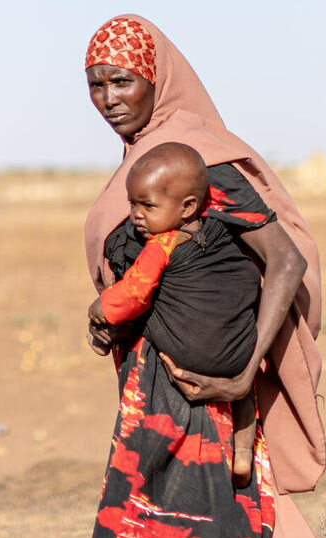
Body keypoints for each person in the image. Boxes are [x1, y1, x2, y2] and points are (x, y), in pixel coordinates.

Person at [82, 14, 326, 538]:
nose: (108, 99)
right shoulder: (149, 163)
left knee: (203, 531)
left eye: (122, 81)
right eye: (96, 84)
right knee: (171, 527)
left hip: (201, 388)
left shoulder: (196, 161)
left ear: (157, 80)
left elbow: (283, 258)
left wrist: (244, 372)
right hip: (152, 383)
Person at [87, 142, 262, 489]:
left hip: (191, 359)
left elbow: (133, 295)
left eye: (147, 205)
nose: (136, 215)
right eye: (132, 204)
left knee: (151, 313)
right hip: (242, 357)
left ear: (187, 207)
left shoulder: (162, 245)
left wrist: (100, 307)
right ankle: (242, 452)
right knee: (246, 395)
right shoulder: (225, 238)